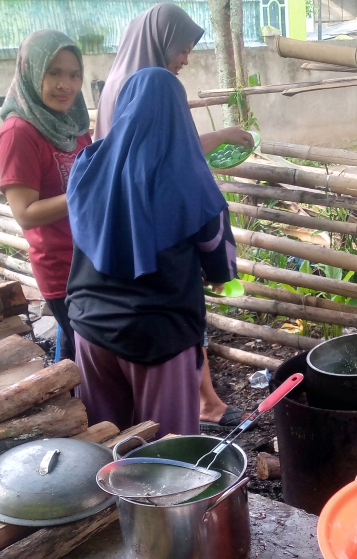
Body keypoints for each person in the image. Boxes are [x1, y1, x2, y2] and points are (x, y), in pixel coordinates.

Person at [94, 2, 251, 431]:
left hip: (99, 301)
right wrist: (219, 271)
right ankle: (199, 409)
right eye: (181, 49)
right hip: (155, 272)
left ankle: (199, 402)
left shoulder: (117, 92)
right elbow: (171, 155)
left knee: (110, 426)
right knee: (168, 445)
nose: (185, 58)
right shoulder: (153, 88)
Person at [66, 67, 238, 438]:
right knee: (165, 453)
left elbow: (82, 229)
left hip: (90, 326)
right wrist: (216, 276)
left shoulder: (87, 164)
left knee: (104, 441)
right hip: (159, 336)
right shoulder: (190, 177)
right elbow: (219, 257)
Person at [0, 30, 91, 361]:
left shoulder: (73, 123)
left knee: (80, 352)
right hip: (62, 270)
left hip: (90, 258)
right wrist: (87, 192)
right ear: (31, 72)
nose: (66, 85)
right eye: (54, 72)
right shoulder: (19, 133)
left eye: (74, 74)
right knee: (92, 354)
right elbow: (25, 213)